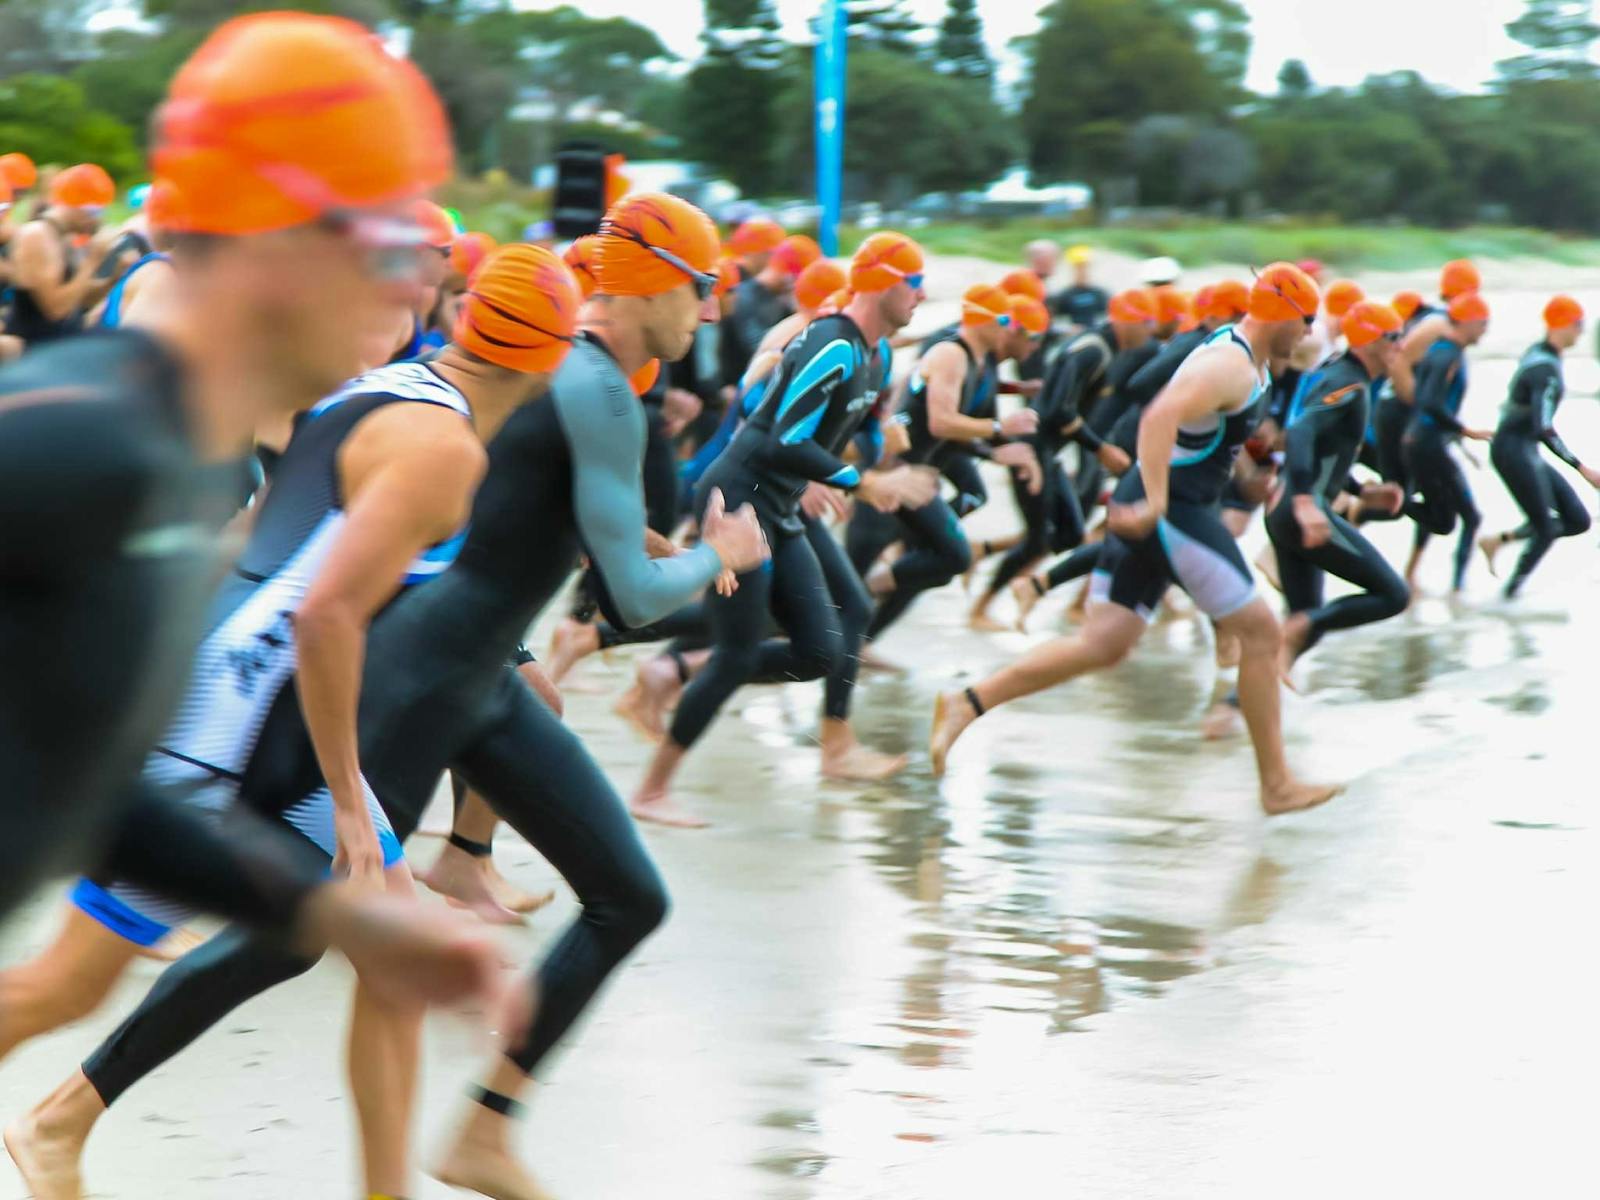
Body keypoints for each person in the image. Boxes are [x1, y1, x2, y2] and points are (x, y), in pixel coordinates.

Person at [13, 195, 771, 1200]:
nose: (712, 312)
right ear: (657, 281)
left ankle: (462, 1144)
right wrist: (714, 554)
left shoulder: (480, 375)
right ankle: (65, 1116)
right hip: (391, 693)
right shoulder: (567, 391)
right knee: (292, 932)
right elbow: (619, 593)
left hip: (470, 683)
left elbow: (502, 523)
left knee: (609, 900)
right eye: (705, 287)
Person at [0, 10, 506, 1152]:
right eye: (388, 246)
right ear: (288, 240)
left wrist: (330, 911)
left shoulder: (174, 471)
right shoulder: (86, 444)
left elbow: (68, 780)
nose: (410, 288)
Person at [931, 263, 1340, 819]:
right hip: (1173, 513)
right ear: (1287, 314)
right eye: (1307, 321)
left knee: (1103, 644)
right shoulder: (1231, 365)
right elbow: (1158, 417)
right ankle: (1277, 785)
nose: (1309, 334)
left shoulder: (1248, 360)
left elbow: (1203, 434)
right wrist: (1155, 500)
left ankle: (967, 703)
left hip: (1163, 508)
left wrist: (1247, 478)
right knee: (1263, 633)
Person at [628, 231, 938, 828]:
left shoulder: (878, 354)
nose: (921, 298)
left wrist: (887, 448)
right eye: (915, 284)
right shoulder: (832, 342)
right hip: (740, 500)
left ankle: (672, 670)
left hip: (781, 507)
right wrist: (863, 482)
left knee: (827, 640)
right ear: (884, 284)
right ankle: (652, 785)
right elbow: (785, 438)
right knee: (739, 649)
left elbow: (854, 426)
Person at [1010, 281, 1252, 630]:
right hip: (1141, 443)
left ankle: (1066, 594)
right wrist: (1174, 414)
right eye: (1238, 315)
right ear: (1216, 315)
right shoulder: (1194, 343)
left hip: (1152, 444)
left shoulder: (1214, 346)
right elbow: (1139, 385)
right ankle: (1055, 590)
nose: (1243, 322)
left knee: (1137, 531)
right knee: (1144, 529)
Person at [861, 284, 1042, 638]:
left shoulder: (981, 361)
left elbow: (961, 421)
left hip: (919, 474)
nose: (1010, 331)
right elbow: (939, 419)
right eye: (1006, 321)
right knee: (943, 557)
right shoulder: (952, 352)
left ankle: (863, 631)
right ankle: (860, 598)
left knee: (942, 562)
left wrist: (995, 448)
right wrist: (997, 429)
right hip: (893, 474)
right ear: (991, 323)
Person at [967, 289, 1150, 629]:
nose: (1149, 332)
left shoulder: (1099, 347)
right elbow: (1058, 410)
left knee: (1070, 535)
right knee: (1038, 538)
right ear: (1127, 321)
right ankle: (981, 608)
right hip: (1031, 449)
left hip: (1046, 450)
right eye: (1147, 323)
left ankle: (984, 553)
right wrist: (1101, 449)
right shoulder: (1094, 351)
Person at [1268, 301, 1411, 671]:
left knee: (1307, 621)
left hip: (1290, 509)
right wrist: (1304, 503)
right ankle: (1296, 631)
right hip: (1300, 510)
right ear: (1370, 342)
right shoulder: (1348, 382)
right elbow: (1299, 432)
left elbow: (1325, 448)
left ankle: (1233, 708)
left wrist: (1362, 491)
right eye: (1393, 338)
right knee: (1394, 595)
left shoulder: (1348, 377)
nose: (1401, 345)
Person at [1480, 295, 1600, 598]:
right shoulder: (1544, 369)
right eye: (1578, 325)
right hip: (1513, 451)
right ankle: (1509, 597)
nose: (1581, 332)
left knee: (1577, 520)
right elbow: (1542, 426)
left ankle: (1499, 540)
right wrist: (1582, 468)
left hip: (1523, 449)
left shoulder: (1539, 353)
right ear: (1560, 325)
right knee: (1545, 528)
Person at [1401, 290, 1494, 593]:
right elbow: (1429, 401)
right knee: (1469, 517)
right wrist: (1465, 430)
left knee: (1442, 518)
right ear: (1466, 323)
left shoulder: (1443, 350)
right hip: (1427, 445)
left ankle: (1430, 579)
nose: (1485, 330)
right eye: (1482, 323)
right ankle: (1458, 589)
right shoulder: (1448, 354)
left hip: (1424, 442)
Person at [5, 163, 128, 347]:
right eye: (96, 211)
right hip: (33, 350)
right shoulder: (37, 236)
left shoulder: (65, 238)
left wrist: (114, 279)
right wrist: (92, 261)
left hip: (59, 344)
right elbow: (56, 310)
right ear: (76, 207)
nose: (98, 220)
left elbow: (78, 300)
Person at [1048, 244, 1108, 329]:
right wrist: (1068, 329)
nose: (1082, 271)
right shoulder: (1064, 295)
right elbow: (1055, 320)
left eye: (1085, 267)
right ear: (1072, 270)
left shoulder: (1100, 293)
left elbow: (1108, 317)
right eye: (1078, 268)